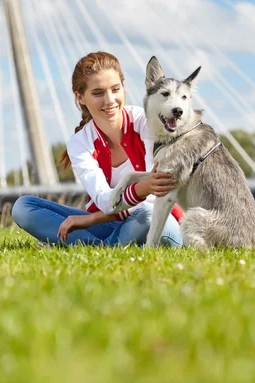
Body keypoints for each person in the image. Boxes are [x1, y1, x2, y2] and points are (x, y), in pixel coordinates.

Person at [12, 51, 184, 247]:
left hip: (158, 219)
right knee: (23, 207)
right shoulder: (80, 143)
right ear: (80, 97)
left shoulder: (146, 121)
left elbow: (156, 195)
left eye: (115, 89)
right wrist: (145, 187)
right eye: (98, 93)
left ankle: (92, 246)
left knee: (146, 215)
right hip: (111, 224)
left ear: (123, 88)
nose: (110, 100)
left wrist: (89, 220)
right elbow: (105, 201)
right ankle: (108, 244)